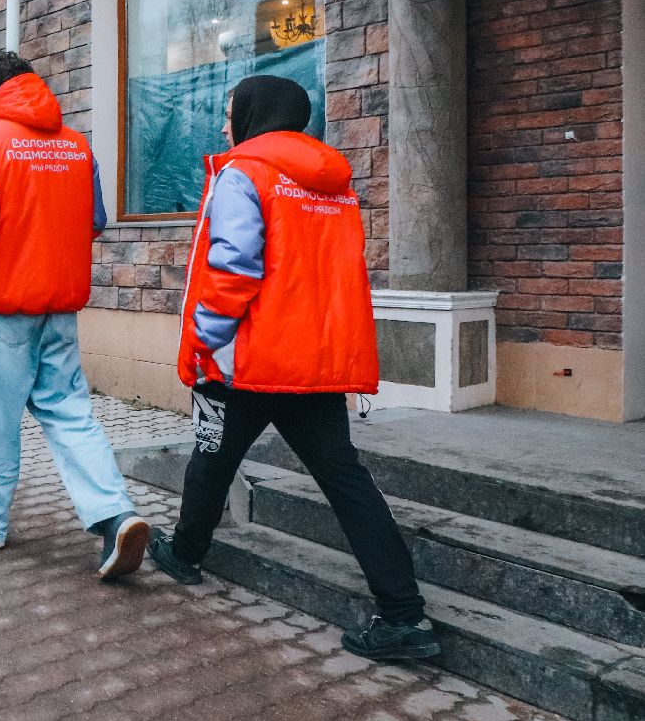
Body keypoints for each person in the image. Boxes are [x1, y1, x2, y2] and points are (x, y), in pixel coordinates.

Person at [148, 75, 438, 661]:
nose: (225, 125)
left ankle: (184, 553)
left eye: (231, 113)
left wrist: (205, 345)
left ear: (254, 115)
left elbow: (232, 269)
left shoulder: (243, 172)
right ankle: (405, 617)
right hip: (315, 360)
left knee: (210, 458)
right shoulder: (332, 181)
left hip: (249, 361)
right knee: (348, 483)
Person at [0, 50, 149, 580]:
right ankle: (115, 516)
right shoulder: (77, 146)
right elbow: (94, 222)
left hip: (7, 306)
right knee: (70, 412)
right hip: (61, 306)